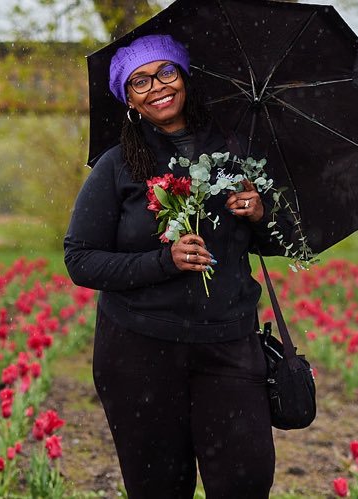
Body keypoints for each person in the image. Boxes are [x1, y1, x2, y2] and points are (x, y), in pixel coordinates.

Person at [64, 34, 285, 498]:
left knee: (245, 482)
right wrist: (165, 261)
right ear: (128, 100)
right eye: (139, 81)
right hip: (139, 352)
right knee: (160, 488)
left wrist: (261, 215)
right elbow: (80, 259)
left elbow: (273, 243)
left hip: (229, 344)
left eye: (166, 72)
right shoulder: (117, 166)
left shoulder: (235, 151)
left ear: (185, 77)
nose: (156, 87)